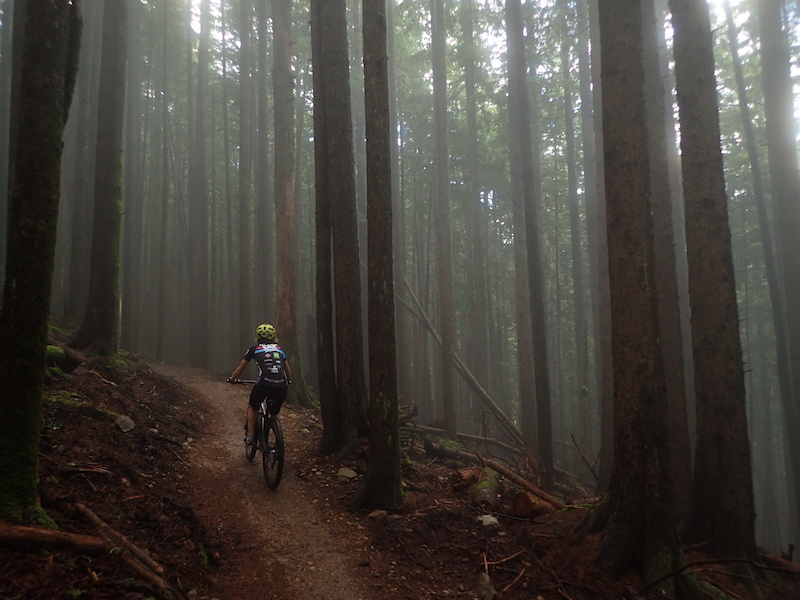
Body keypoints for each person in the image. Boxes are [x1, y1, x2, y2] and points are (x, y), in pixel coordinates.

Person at [227, 323, 292, 446]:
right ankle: (277, 435)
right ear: (274, 337)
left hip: (264, 385)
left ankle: (250, 436)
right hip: (281, 386)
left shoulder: (254, 349)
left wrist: (233, 379)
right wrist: (288, 381)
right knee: (275, 411)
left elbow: (240, 370)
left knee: (253, 407)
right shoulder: (279, 349)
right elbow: (288, 371)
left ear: (257, 337)